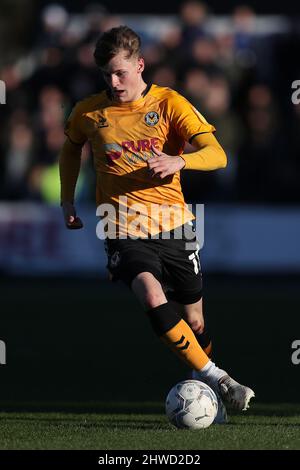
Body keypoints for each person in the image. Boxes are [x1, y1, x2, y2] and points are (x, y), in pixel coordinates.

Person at [59, 25, 254, 422]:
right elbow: (70, 148)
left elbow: (218, 155)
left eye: (120, 73)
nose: (114, 83)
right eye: (107, 76)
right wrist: (67, 199)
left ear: (140, 65)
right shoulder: (89, 112)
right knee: (151, 296)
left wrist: (180, 160)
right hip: (120, 224)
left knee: (195, 320)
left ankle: (204, 386)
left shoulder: (168, 104)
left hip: (176, 224)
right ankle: (220, 378)